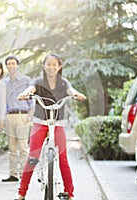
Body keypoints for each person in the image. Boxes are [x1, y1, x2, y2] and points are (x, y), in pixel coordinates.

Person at [17, 53, 87, 200]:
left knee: (63, 158)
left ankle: (70, 194)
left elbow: (71, 91)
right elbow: (31, 89)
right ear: (44, 66)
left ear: (59, 67)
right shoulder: (38, 81)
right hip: (40, 122)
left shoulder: (63, 82)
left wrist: (76, 94)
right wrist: (24, 94)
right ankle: (21, 193)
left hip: (58, 123)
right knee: (33, 157)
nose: (51, 67)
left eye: (54, 64)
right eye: (48, 64)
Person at [2, 56, 34, 182]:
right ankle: (13, 174)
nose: (10, 66)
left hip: (22, 115)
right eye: (8, 64)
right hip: (9, 116)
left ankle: (23, 174)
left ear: (17, 65)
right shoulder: (4, 83)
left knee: (23, 147)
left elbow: (32, 100)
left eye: (13, 63)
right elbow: (2, 101)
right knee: (12, 147)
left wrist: (29, 116)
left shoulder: (26, 80)